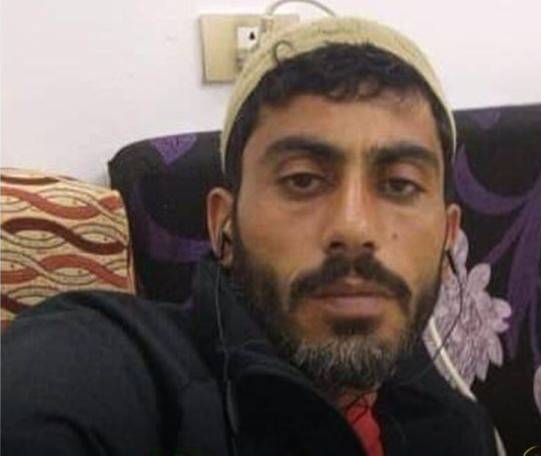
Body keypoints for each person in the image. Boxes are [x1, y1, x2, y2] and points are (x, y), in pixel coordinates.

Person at [2, 16, 498, 456]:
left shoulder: (458, 427)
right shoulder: (99, 365)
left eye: (399, 185)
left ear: (448, 236)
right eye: (302, 180)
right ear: (224, 224)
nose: (353, 227)